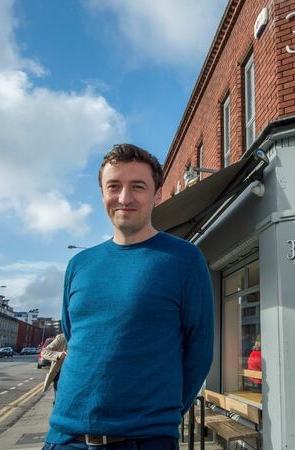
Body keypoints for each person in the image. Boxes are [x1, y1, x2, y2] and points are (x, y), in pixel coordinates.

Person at [43, 144, 214, 450]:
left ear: (157, 195)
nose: (124, 198)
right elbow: (74, 336)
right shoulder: (78, 265)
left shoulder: (184, 260)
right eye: (114, 186)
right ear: (102, 194)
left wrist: (162, 418)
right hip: (64, 438)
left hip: (142, 440)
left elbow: (199, 351)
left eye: (137, 186)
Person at [41, 333, 67, 401]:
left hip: (79, 378)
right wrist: (59, 355)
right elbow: (44, 352)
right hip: (60, 377)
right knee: (59, 401)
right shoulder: (62, 338)